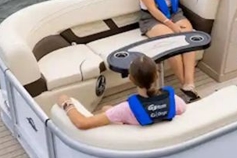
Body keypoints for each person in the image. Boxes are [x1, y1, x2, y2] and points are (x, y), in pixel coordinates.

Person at [136, 0, 224, 102]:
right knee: (173, 42)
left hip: (173, 13)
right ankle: (185, 85)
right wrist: (172, 26)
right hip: (152, 18)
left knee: (188, 38)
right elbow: (152, 9)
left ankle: (189, 84)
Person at [58, 54, 187, 130]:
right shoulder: (175, 101)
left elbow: (82, 123)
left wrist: (67, 103)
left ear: (131, 78)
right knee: (107, 109)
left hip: (133, 143)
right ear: (157, 76)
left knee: (106, 109)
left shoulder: (125, 109)